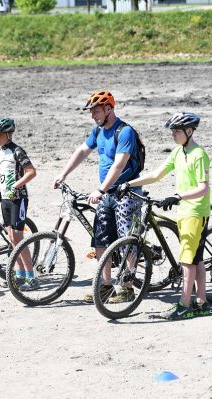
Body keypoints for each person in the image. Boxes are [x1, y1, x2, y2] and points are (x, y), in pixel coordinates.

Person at [53, 90, 144, 303]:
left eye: (96, 111)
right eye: (91, 112)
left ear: (109, 109)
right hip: (106, 193)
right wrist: (63, 173)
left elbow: (119, 164)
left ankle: (127, 287)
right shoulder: (98, 130)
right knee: (100, 239)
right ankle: (105, 286)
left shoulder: (125, 132)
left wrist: (101, 189)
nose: (93, 115)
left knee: (125, 240)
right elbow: (82, 151)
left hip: (126, 192)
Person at [119, 112, 211, 320]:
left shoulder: (199, 155)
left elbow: (203, 188)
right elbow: (157, 174)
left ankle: (184, 305)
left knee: (187, 261)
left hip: (195, 211)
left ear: (189, 131)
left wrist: (178, 196)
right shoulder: (179, 152)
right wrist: (128, 183)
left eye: (176, 131)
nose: (173, 135)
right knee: (196, 259)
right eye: (172, 131)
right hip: (185, 210)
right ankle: (202, 303)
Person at [0, 117, 37, 290]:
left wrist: (16, 186)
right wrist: (1, 192)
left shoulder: (17, 151)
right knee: (11, 238)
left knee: (18, 238)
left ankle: (32, 277)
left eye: (0, 135)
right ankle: (19, 275)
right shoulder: (2, 152)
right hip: (5, 199)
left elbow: (31, 172)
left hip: (18, 199)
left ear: (9, 134)